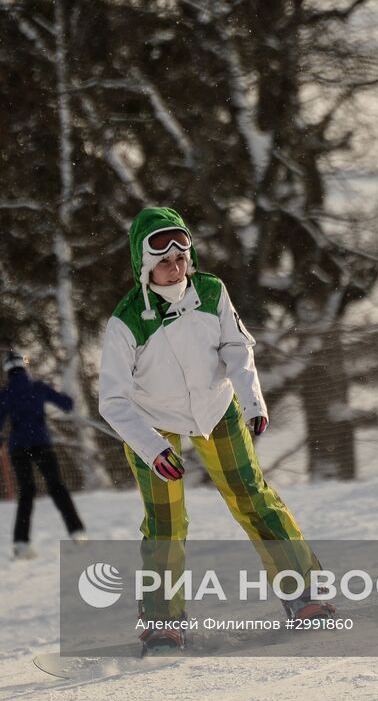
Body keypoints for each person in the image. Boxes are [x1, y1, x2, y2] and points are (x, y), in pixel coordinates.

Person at [97, 207, 330, 655]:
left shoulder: (211, 292)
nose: (175, 265)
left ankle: (305, 593)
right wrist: (150, 449)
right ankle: (162, 621)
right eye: (162, 258)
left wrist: (252, 399)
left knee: (251, 495)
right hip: (154, 424)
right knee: (166, 521)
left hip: (215, 408)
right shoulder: (125, 322)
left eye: (181, 254)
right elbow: (113, 400)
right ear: (144, 263)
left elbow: (236, 346)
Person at [0, 351, 88, 559]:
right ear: (24, 367)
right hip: (41, 443)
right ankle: (77, 532)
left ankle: (21, 543)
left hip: (18, 448)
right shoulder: (37, 387)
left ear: (6, 370)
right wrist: (68, 402)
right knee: (57, 486)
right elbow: (66, 404)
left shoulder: (6, 394)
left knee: (27, 492)